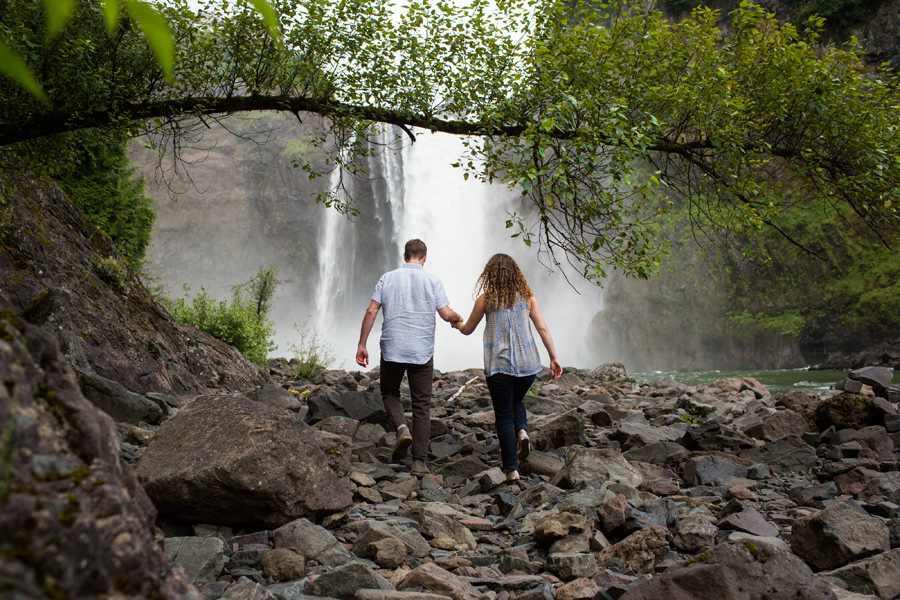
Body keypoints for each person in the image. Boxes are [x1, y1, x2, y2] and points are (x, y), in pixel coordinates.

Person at [356, 239, 462, 477]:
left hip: (392, 347)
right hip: (421, 351)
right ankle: (418, 462)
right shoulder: (433, 281)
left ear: (404, 256)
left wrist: (362, 344)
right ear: (425, 258)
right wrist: (458, 318)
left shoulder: (387, 278)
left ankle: (402, 427)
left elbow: (372, 310)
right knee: (422, 405)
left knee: (390, 392)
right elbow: (446, 314)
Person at [452, 253, 562, 481]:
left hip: (499, 366)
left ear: (490, 275)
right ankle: (522, 431)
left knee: (503, 416)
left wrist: (457, 324)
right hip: (527, 365)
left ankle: (511, 469)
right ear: (515, 274)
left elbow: (469, 329)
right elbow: (542, 329)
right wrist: (553, 357)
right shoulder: (528, 297)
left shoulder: (486, 299)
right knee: (517, 400)